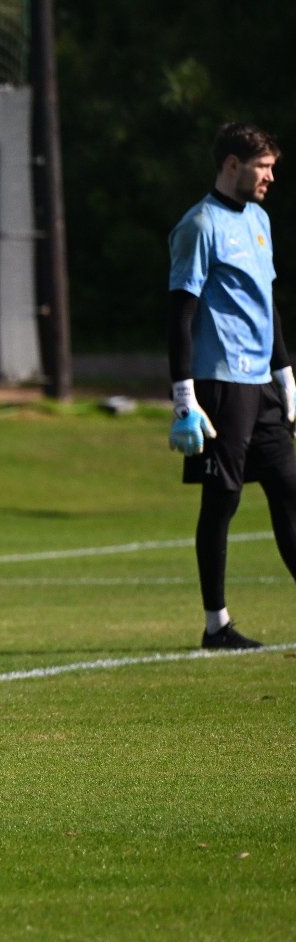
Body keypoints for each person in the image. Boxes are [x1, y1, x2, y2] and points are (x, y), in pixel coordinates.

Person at [167, 121, 296, 650]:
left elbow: (268, 306)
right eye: (262, 167)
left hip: (262, 386)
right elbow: (179, 316)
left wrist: (286, 374)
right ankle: (216, 625)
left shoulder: (261, 220)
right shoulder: (199, 226)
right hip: (220, 387)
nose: (269, 177)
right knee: (221, 503)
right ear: (232, 165)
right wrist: (183, 399)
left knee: (291, 493)